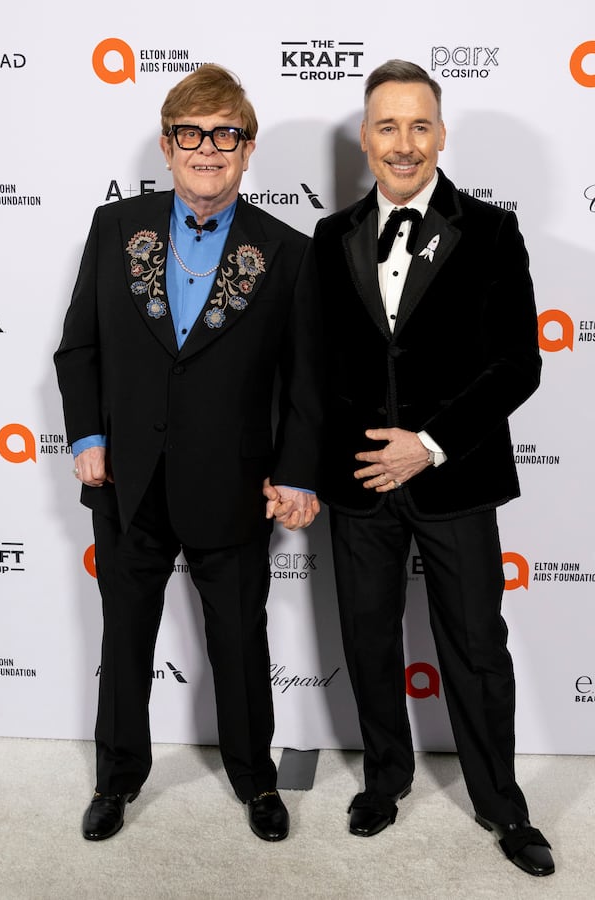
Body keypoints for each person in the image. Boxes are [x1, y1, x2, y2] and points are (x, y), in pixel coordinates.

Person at [54, 64, 322, 843]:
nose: (209, 149)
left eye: (225, 134)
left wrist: (298, 471)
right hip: (126, 479)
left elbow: (306, 383)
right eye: (192, 134)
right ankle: (117, 781)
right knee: (124, 639)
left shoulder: (288, 253)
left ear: (247, 148)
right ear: (168, 147)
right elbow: (80, 349)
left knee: (240, 643)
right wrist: (89, 438)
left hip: (234, 485)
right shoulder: (115, 230)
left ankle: (257, 783)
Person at [313, 59, 554, 877]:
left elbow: (519, 363)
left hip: (456, 477)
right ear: (364, 138)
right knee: (368, 639)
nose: (404, 143)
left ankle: (502, 805)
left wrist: (431, 442)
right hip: (359, 483)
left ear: (442, 135)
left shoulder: (491, 231)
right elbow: (317, 367)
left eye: (420, 125)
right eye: (388, 126)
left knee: (478, 647)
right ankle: (385, 781)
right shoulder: (329, 235)